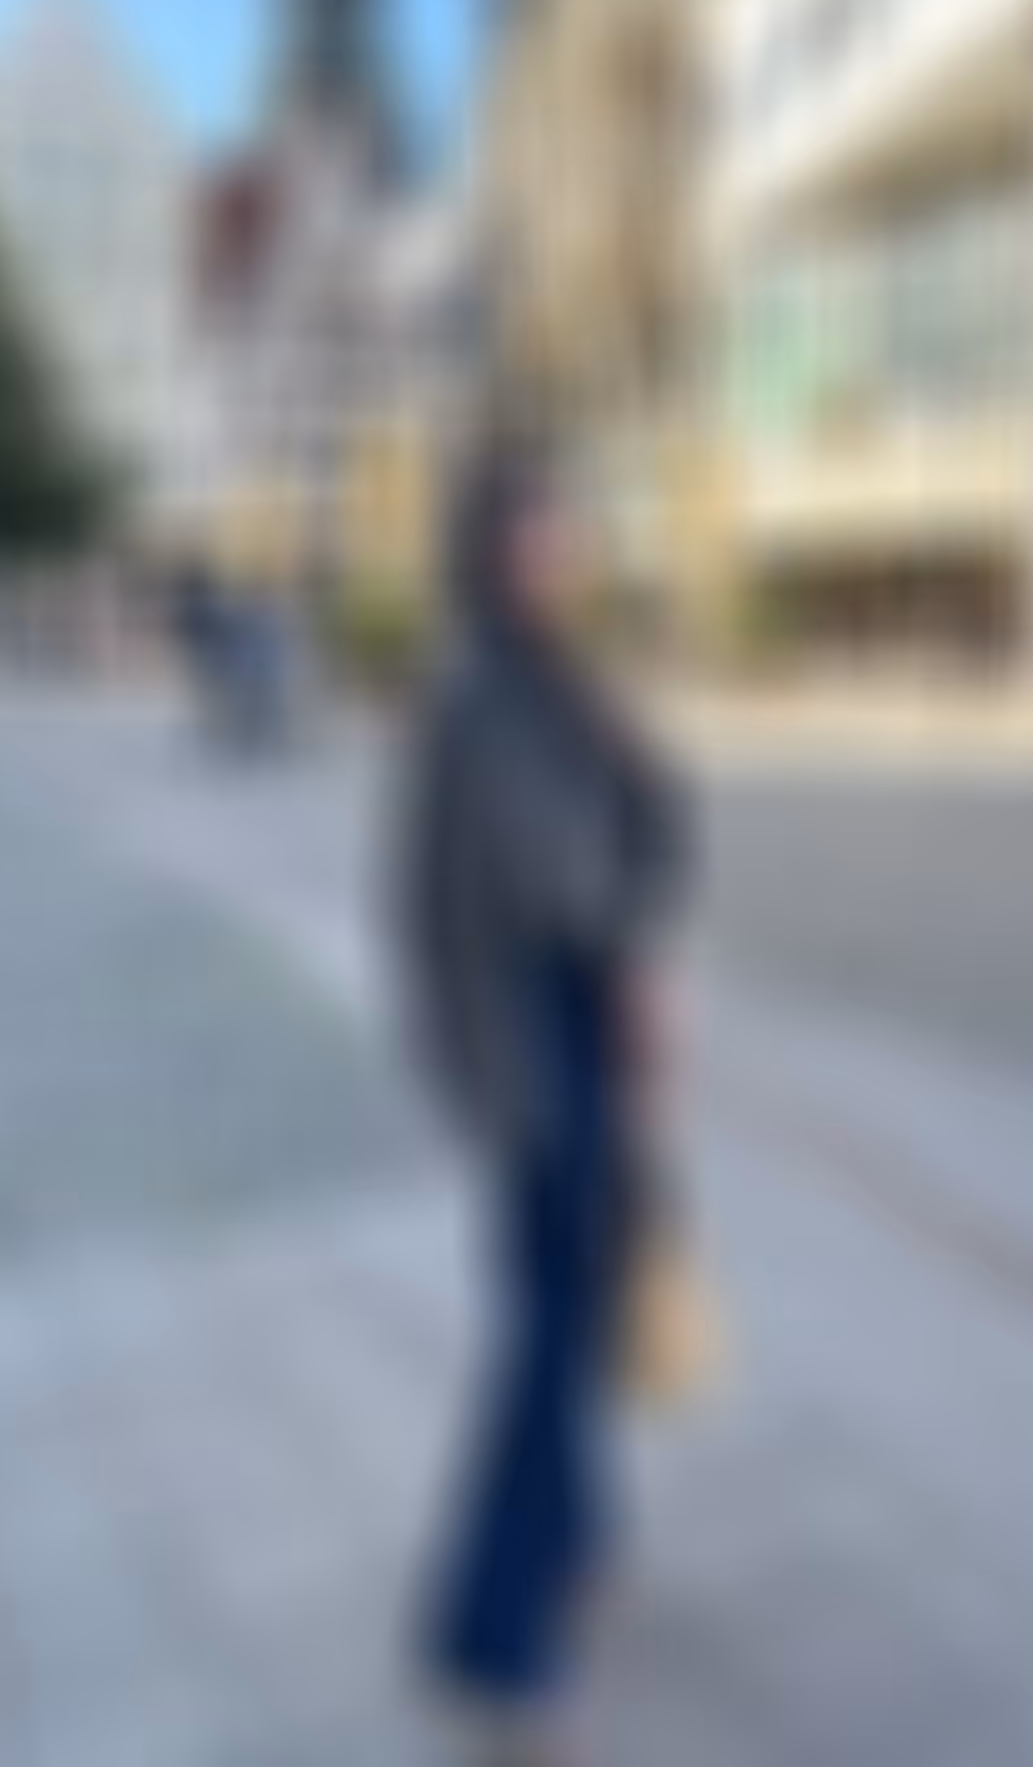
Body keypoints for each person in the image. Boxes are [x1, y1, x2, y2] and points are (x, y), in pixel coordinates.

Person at [402, 427, 690, 1764]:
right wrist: (633, 926)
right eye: (538, 529)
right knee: (546, 1331)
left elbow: (657, 824)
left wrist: (637, 826)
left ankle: (573, 1537)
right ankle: (491, 1636)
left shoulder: (548, 677)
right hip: (526, 1042)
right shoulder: (482, 693)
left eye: (567, 527)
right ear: (488, 550)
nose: (563, 548)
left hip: (568, 1022)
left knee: (572, 1299)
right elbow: (562, 876)